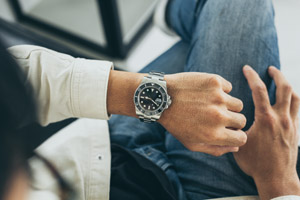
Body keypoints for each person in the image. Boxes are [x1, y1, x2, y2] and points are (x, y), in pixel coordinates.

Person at [0, 0, 299, 200]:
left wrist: (141, 94)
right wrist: (279, 180)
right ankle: (175, 12)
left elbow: (12, 77)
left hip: (98, 150)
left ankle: (177, 13)